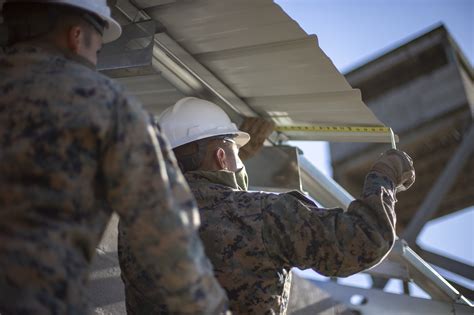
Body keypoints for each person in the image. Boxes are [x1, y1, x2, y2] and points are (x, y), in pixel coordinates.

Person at [0, 1, 226, 314]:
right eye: (99, 48)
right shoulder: (109, 107)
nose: (95, 59)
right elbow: (168, 237)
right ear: (76, 36)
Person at [158, 97, 416, 315]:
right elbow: (366, 239)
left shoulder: (137, 226)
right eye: (236, 152)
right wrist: (386, 175)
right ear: (221, 157)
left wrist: (223, 166)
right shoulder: (266, 214)